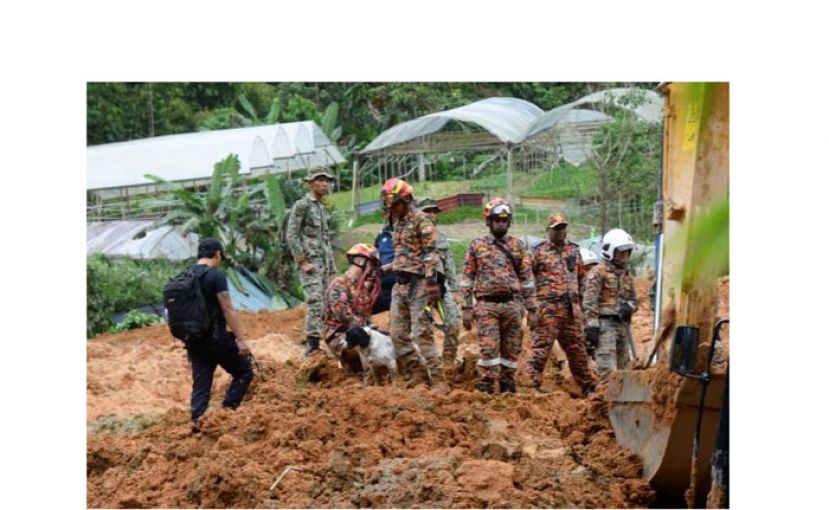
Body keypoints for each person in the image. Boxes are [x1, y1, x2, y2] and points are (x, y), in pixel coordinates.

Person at [461, 198, 538, 394]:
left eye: (505, 220)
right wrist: (466, 307)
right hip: (487, 306)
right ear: (488, 221)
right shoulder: (476, 245)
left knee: (511, 350)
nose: (501, 223)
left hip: (513, 305)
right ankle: (486, 385)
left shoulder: (518, 246)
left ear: (509, 222)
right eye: (497, 220)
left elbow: (527, 278)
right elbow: (468, 277)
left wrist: (532, 309)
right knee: (489, 348)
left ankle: (507, 385)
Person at [382, 177, 448, 391]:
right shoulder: (396, 222)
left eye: (396, 204)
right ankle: (417, 372)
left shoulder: (422, 221)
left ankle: (438, 380)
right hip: (399, 284)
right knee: (397, 334)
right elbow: (404, 254)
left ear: (407, 199)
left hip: (418, 283)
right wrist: (385, 268)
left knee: (422, 334)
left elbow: (430, 253)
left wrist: (431, 283)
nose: (393, 209)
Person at [186, 238, 254, 432]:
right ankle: (226, 413)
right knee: (244, 372)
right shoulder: (215, 275)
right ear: (217, 254)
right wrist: (240, 340)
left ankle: (197, 423)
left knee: (202, 383)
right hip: (216, 338)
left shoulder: (185, 276)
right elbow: (228, 309)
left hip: (194, 341)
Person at [527, 213, 596, 395]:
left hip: (571, 311)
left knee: (578, 351)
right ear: (548, 230)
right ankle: (531, 385)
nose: (560, 232)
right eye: (556, 228)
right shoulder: (538, 251)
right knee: (541, 350)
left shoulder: (573, 250)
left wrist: (581, 306)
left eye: (563, 227)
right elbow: (526, 279)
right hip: (548, 310)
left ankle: (588, 387)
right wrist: (531, 307)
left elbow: (581, 278)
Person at [286, 169, 337, 357]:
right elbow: (291, 235)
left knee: (326, 303)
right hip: (311, 265)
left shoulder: (321, 208)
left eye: (327, 181)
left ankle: (327, 342)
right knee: (315, 301)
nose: (325, 184)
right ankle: (312, 345)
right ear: (310, 183)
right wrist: (302, 261)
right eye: (320, 180)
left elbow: (325, 241)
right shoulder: (302, 205)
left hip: (324, 265)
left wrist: (332, 269)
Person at [583, 228, 639, 382]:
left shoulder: (627, 275)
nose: (624, 256)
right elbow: (589, 301)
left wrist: (629, 307)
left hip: (622, 326)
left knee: (623, 370)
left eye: (627, 252)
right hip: (605, 326)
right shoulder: (598, 272)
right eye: (620, 252)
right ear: (610, 252)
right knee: (608, 371)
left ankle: (622, 403)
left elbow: (635, 300)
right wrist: (592, 325)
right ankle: (605, 403)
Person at [417, 198, 463, 370]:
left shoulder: (441, 237)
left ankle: (449, 359)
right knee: (420, 328)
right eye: (427, 211)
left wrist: (455, 289)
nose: (431, 215)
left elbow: (449, 264)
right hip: (420, 289)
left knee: (452, 322)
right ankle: (424, 363)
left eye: (434, 212)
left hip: (441, 286)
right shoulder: (413, 236)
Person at [323, 243, 382, 374]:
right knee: (374, 344)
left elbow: (366, 318)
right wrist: (370, 331)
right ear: (359, 261)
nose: (372, 270)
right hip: (341, 337)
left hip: (358, 334)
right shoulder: (339, 285)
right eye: (371, 264)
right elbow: (345, 317)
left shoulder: (360, 289)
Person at [372, 224, 397, 314]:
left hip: (399, 277)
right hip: (382, 278)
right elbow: (374, 250)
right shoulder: (383, 233)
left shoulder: (407, 231)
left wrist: (390, 266)